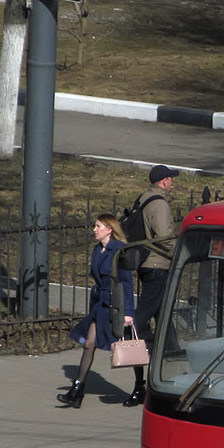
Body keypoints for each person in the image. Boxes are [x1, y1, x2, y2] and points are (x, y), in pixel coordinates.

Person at [57, 214, 136, 408]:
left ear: (109, 229)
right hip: (100, 304)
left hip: (115, 305)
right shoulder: (97, 250)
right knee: (88, 343)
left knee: (131, 348)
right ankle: (77, 390)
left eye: (98, 226)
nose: (94, 229)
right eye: (95, 226)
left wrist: (128, 313)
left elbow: (126, 283)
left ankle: (140, 386)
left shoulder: (119, 250)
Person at [124, 164, 179, 406]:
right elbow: (166, 237)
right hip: (159, 266)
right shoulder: (159, 204)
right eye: (171, 179)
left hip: (147, 264)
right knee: (140, 318)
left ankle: (173, 373)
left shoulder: (143, 199)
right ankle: (126, 341)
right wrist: (182, 252)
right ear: (165, 181)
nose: (173, 183)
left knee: (165, 320)